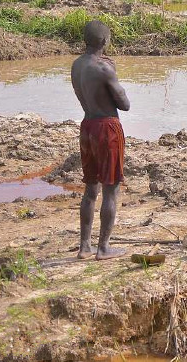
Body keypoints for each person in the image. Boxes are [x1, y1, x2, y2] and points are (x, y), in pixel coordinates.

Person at [70, 21, 131, 260]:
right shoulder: (104, 68)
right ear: (104, 41)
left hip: (87, 126)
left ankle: (84, 246)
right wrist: (114, 72)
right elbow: (124, 105)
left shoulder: (76, 65)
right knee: (111, 188)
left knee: (90, 189)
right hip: (107, 128)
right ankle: (103, 248)